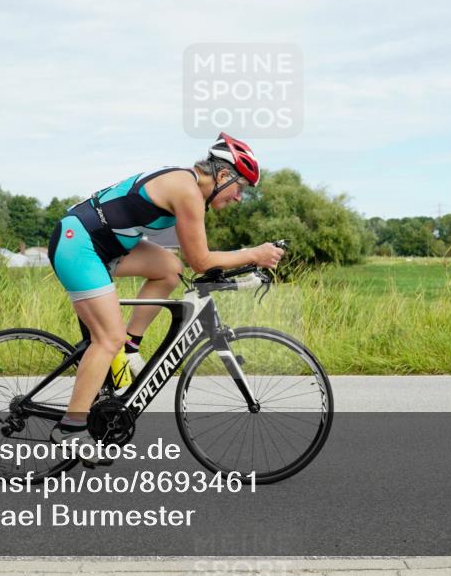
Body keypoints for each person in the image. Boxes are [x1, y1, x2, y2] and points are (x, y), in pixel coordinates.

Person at [46, 133, 285, 464]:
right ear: (223, 175)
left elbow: (189, 262)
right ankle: (71, 430)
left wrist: (238, 263)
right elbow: (201, 260)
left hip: (107, 245)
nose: (239, 198)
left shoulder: (189, 188)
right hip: (79, 244)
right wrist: (254, 254)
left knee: (170, 269)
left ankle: (129, 346)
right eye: (240, 187)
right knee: (107, 337)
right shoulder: (186, 189)